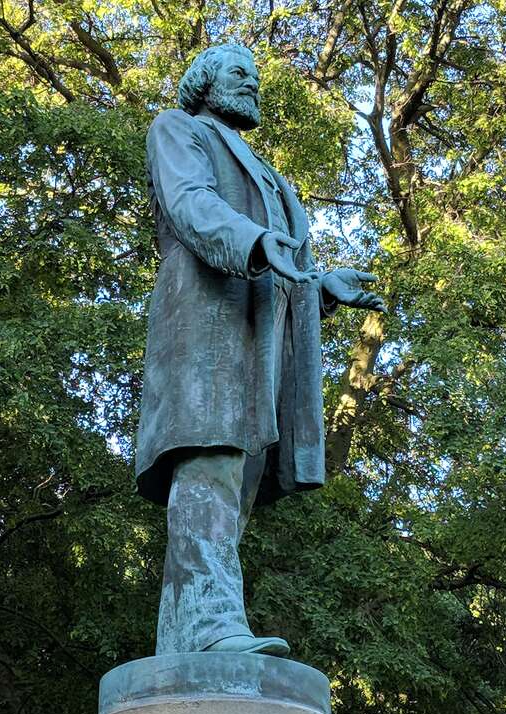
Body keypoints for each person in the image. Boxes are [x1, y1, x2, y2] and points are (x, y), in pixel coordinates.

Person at [135, 44, 386, 657]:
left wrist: (319, 286)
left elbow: (281, 261)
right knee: (209, 465)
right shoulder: (179, 130)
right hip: (204, 333)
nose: (252, 84)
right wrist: (253, 240)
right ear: (205, 81)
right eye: (238, 74)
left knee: (235, 485)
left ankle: (187, 636)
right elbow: (193, 204)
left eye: (256, 77)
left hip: (259, 347)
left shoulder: (274, 179)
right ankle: (212, 625)